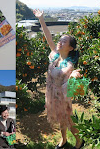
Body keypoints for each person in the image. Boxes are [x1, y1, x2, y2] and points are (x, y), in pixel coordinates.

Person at [33, 9, 84, 149]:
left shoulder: (69, 65)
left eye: (64, 41)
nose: (60, 42)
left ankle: (79, 140)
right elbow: (48, 37)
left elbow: (66, 87)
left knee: (68, 120)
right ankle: (63, 140)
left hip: (63, 97)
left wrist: (72, 76)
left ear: (71, 48)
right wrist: (41, 19)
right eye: (60, 40)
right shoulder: (55, 55)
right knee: (60, 120)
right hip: (52, 94)